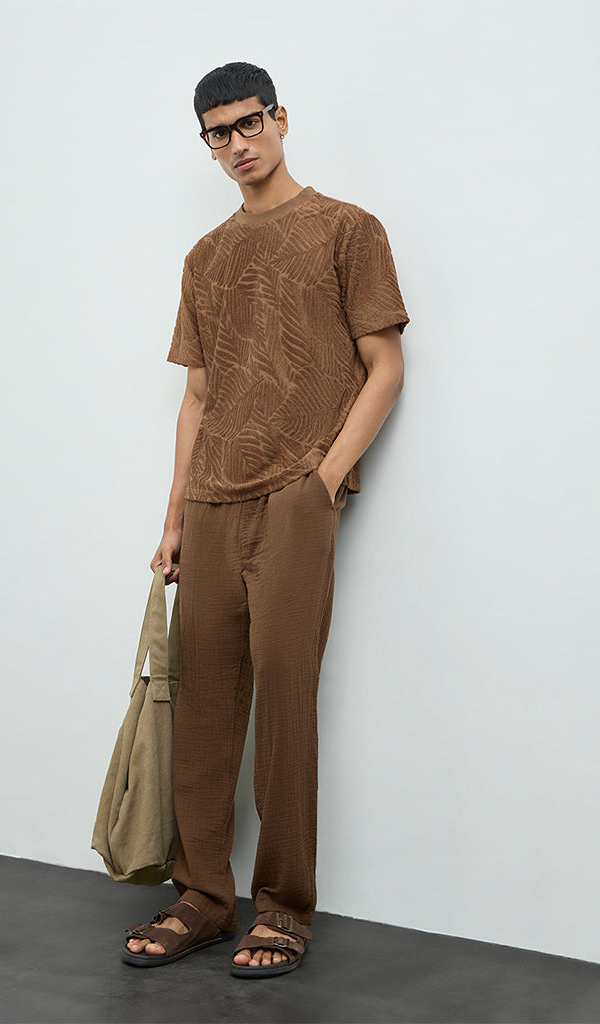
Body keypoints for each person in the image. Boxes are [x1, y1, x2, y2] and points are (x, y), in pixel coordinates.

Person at [121, 61, 410, 978]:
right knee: (204, 708)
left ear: (281, 118)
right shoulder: (205, 257)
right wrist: (173, 514)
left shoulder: (348, 229)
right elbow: (199, 398)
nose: (238, 143)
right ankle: (204, 898)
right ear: (206, 143)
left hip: (295, 494)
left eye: (250, 122)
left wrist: (323, 480)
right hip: (210, 501)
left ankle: (283, 906)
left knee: (285, 700)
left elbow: (386, 366)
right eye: (219, 132)